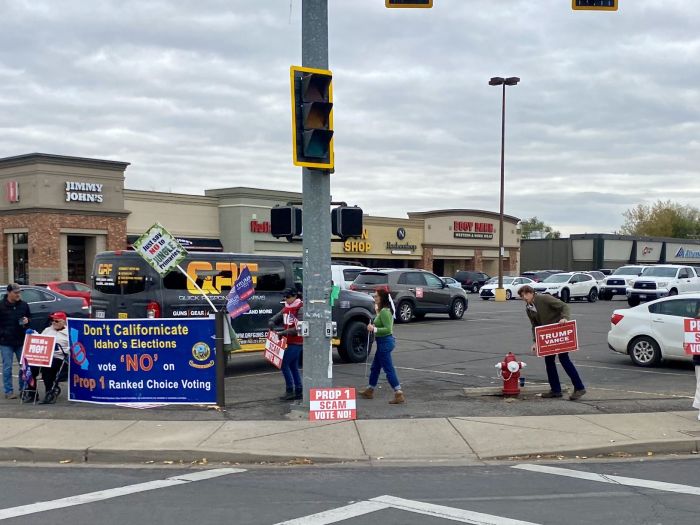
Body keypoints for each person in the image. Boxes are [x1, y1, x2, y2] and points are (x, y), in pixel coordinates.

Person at [517, 285, 586, 400]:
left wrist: (564, 318)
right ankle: (555, 390)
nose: (524, 297)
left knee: (564, 359)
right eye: (521, 296)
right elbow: (535, 325)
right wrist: (535, 341)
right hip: (547, 336)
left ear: (531, 293)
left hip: (559, 331)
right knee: (549, 361)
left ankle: (579, 387)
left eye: (525, 294)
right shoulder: (528, 308)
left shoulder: (544, 298)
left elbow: (564, 306)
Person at [359, 289, 405, 404]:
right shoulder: (382, 311)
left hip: (385, 343)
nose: (375, 298)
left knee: (388, 369)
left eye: (377, 296)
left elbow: (388, 329)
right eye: (374, 296)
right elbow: (381, 325)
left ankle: (398, 392)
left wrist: (373, 329)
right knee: (375, 367)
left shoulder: (385, 311)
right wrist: (374, 326)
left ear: (382, 298)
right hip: (382, 343)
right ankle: (370, 389)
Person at [268, 288, 303, 401]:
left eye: (287, 297)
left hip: (297, 341)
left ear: (294, 296)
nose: (286, 299)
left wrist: (282, 333)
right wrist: (272, 322)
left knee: (284, 364)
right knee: (293, 366)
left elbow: (299, 328)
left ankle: (290, 390)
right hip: (289, 341)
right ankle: (298, 390)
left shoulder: (300, 307)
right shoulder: (287, 307)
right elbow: (276, 317)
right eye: (284, 297)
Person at [0, 283, 31, 400]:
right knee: (7, 367)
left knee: (23, 365)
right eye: (16, 293)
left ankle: (23, 389)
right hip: (5, 342)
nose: (18, 295)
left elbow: (29, 318)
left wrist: (27, 321)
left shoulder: (23, 305)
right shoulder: (1, 306)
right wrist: (3, 334)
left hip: (20, 340)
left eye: (19, 293)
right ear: (9, 293)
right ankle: (8, 391)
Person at [38, 311, 69, 404]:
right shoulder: (48, 330)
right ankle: (30, 391)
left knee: (49, 366)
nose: (54, 323)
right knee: (28, 366)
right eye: (53, 321)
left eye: (56, 321)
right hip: (45, 356)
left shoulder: (69, 332)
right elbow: (39, 339)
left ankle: (49, 392)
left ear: (63, 322)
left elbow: (74, 347)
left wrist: (61, 350)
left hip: (60, 357)